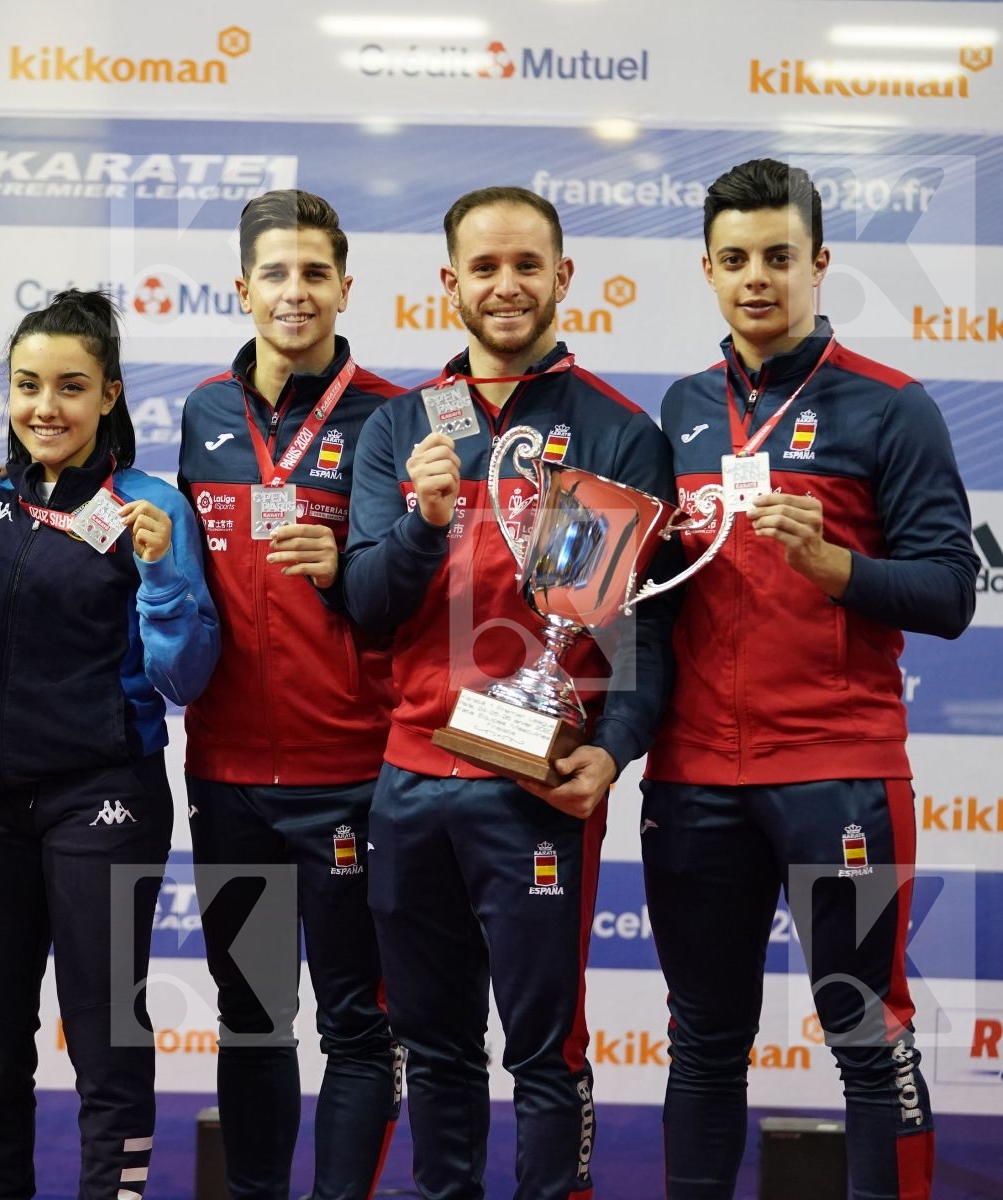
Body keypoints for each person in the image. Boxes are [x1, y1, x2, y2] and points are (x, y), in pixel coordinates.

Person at [641, 158, 979, 1200]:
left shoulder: (889, 406)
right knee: (702, 1041)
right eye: (734, 259)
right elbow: (660, 588)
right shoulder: (682, 407)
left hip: (835, 774)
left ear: (818, 262)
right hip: (692, 777)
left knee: (862, 1033)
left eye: (778, 257)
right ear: (704, 269)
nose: (757, 278)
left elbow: (949, 593)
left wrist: (835, 566)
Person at [343, 187, 678, 1200]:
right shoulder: (400, 427)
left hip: (534, 787)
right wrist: (421, 518)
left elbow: (642, 629)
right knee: (432, 1047)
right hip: (410, 780)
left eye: (525, 265)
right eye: (482, 268)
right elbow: (364, 605)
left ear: (562, 277)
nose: (505, 286)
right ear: (448, 283)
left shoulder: (617, 431)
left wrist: (611, 751)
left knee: (543, 1055)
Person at [0, 288, 219, 1200]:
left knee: (105, 1031)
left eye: (70, 386)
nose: (45, 408)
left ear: (111, 395)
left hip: (103, 800)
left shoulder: (150, 507)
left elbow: (186, 678)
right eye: (27, 386)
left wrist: (164, 574)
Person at [176, 189, 402, 1200]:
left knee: (357, 1024)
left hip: (349, 778)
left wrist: (352, 557)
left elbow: (429, 586)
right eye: (275, 272)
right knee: (254, 1016)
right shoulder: (201, 415)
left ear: (345, 287)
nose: (295, 291)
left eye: (315, 273)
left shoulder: (397, 415)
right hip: (226, 777)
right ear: (242, 287)